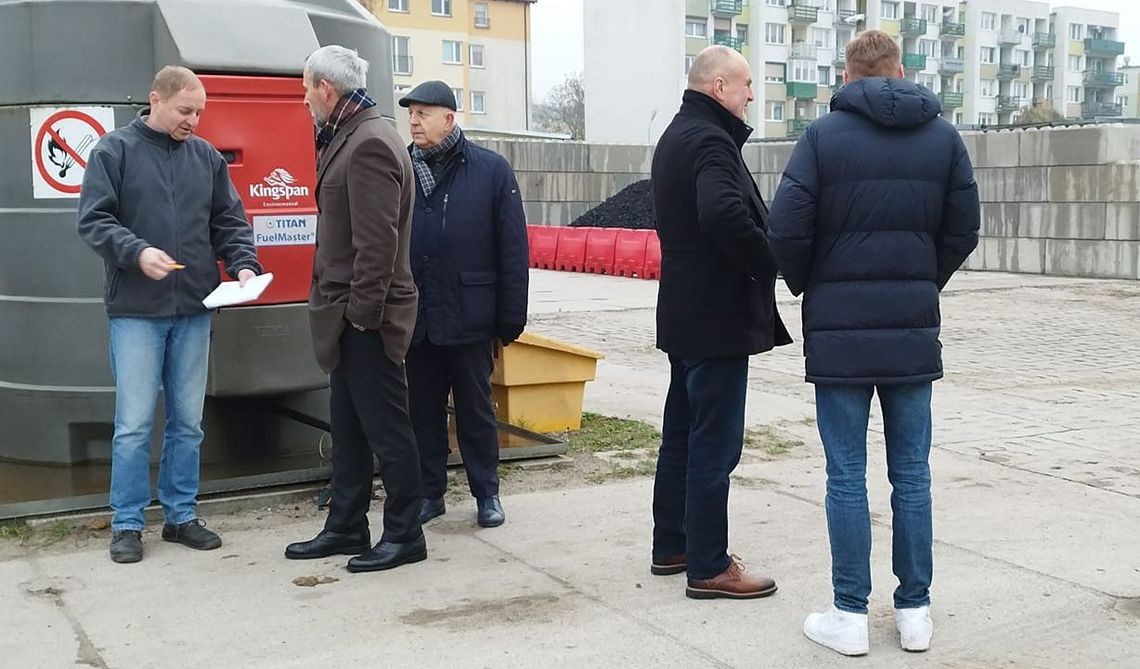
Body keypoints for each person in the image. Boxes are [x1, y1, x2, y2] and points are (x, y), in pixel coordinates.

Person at [767, 30, 980, 656]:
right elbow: (963, 229)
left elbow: (785, 230)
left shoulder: (821, 139)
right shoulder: (943, 138)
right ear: (901, 71)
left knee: (846, 476)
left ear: (846, 76)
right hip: (912, 331)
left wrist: (813, 285)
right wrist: (921, 281)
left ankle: (850, 614)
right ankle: (914, 611)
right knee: (912, 473)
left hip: (839, 336)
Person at [77, 65, 262, 564]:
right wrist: (136, 252)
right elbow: (93, 219)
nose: (194, 121)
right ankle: (128, 523)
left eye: (200, 112)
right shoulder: (113, 150)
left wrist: (244, 265)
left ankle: (181, 516)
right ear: (156, 100)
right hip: (136, 310)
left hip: (195, 307)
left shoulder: (205, 156)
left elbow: (230, 219)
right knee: (134, 423)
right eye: (185, 111)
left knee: (189, 421)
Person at [649, 45, 791, 599]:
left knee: (682, 437)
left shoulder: (676, 135)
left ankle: (673, 544)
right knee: (715, 442)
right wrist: (768, 259)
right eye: (747, 84)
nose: (751, 94)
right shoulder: (710, 140)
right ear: (718, 88)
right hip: (716, 320)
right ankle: (709, 565)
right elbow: (723, 213)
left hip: (685, 316)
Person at [283, 46, 425, 573]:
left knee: (388, 431)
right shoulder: (349, 134)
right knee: (348, 426)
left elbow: (378, 244)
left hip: (366, 317)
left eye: (305, 91)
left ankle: (405, 534)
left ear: (326, 89)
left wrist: (362, 316)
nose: (304, 101)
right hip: (346, 316)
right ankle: (346, 525)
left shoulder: (368, 142)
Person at [395, 80, 529, 529]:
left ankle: (486, 492)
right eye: (410, 113)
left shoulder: (489, 171)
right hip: (417, 316)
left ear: (449, 119)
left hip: (470, 314)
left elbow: (512, 249)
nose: (413, 121)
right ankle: (429, 493)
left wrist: (510, 320)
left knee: (475, 409)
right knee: (422, 413)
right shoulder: (401, 169)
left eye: (422, 113)